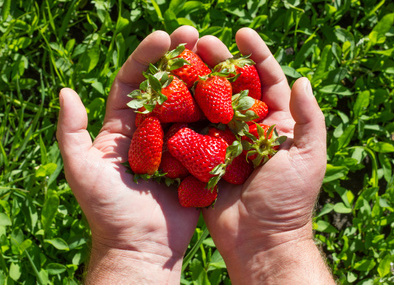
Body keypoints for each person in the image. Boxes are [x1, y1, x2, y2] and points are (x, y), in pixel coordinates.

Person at [56, 25, 335, 284]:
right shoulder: (186, 123)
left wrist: (129, 253)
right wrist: (276, 242)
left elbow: (213, 121)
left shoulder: (197, 123)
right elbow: (205, 125)